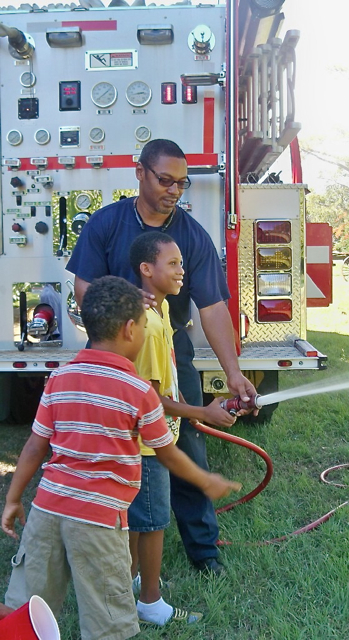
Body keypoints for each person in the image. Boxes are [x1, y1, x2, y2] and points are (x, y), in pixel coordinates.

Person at [1, 276, 241, 640]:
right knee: (109, 622)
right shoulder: (138, 390)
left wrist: (14, 498)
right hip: (98, 521)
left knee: (23, 609)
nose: (145, 334)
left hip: (47, 511)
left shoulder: (60, 377)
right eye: (145, 327)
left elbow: (36, 446)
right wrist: (207, 481)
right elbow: (167, 454)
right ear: (130, 329)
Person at [66, 138, 258, 575]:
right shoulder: (107, 223)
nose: (174, 190)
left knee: (184, 440)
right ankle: (108, 550)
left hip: (169, 350)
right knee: (109, 451)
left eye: (182, 182)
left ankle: (204, 552)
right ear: (140, 173)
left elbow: (211, 306)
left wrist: (233, 373)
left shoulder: (191, 235)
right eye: (165, 180)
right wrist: (120, 300)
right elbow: (82, 288)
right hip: (109, 355)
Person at [128, 232, 238, 626]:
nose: (182, 271)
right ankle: (150, 602)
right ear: (146, 270)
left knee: (140, 521)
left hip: (151, 440)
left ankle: (130, 584)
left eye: (181, 263)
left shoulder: (158, 315)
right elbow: (151, 400)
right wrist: (202, 412)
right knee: (152, 523)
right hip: (146, 447)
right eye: (172, 264)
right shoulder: (150, 324)